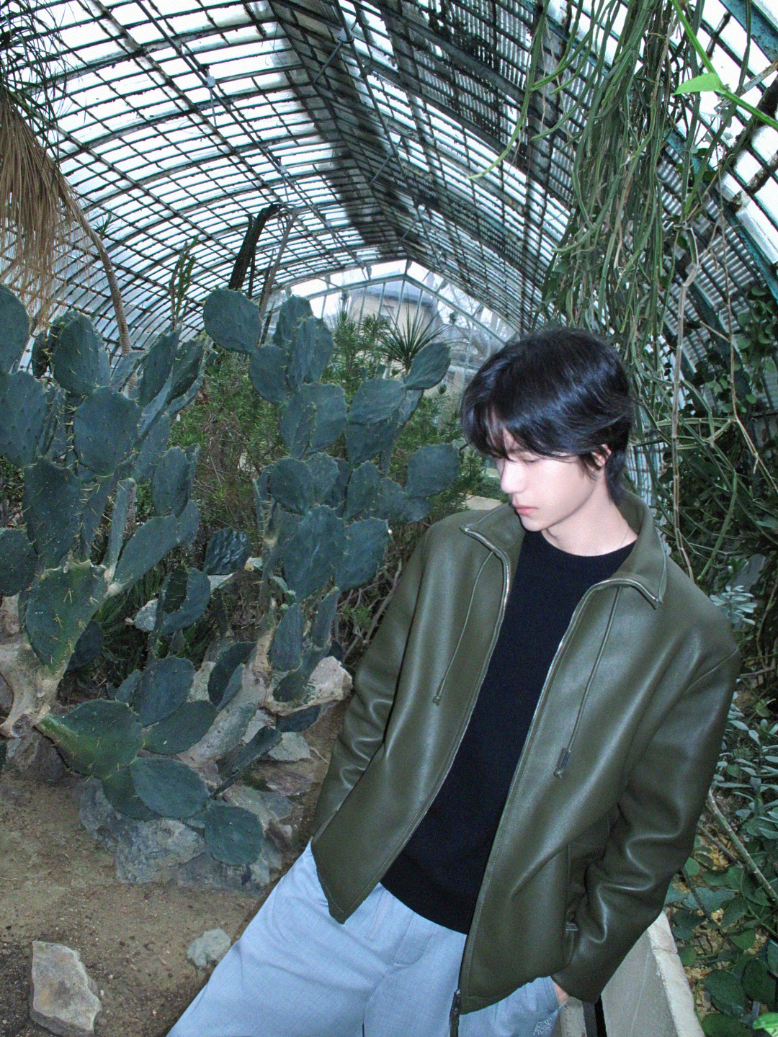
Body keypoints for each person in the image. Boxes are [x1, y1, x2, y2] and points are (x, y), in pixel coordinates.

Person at [167, 328, 739, 1037]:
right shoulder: (453, 552)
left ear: (600, 447)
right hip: (346, 895)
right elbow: (373, 712)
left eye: (529, 457)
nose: (507, 482)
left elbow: (653, 838)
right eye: (500, 456)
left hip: (487, 968)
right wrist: (335, 843)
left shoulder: (687, 638)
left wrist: (568, 978)